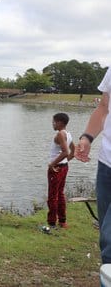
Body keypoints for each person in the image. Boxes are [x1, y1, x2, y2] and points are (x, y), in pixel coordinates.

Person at [75, 67, 111, 264]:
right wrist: (87, 137)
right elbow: (104, 107)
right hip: (106, 165)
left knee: (110, 239)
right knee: (105, 232)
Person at [47, 112, 75, 228]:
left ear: (60, 122)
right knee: (60, 194)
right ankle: (62, 221)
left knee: (53, 196)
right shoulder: (68, 134)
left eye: (54, 122)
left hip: (56, 168)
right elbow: (73, 152)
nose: (52, 124)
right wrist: (64, 162)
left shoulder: (60, 134)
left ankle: (52, 223)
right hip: (64, 167)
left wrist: (52, 164)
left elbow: (66, 152)